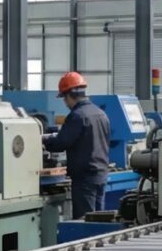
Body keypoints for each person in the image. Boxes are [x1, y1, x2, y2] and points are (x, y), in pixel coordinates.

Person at [43, 72, 111, 219]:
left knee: (85, 222)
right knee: (99, 220)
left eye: (64, 98)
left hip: (85, 179)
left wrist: (43, 140)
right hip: (101, 175)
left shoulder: (77, 116)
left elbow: (61, 143)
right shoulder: (101, 114)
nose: (65, 103)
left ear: (69, 95)